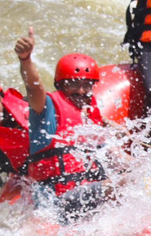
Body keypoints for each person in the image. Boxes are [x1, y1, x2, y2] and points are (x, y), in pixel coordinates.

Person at [15, 27, 110, 222]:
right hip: (58, 203)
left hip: (86, 199)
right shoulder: (46, 109)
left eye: (87, 85)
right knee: (124, 185)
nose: (81, 91)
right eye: (73, 84)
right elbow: (34, 87)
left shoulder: (91, 116)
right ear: (61, 85)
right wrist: (26, 60)